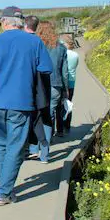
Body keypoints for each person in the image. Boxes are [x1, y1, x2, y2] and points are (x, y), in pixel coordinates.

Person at [0, 6, 53, 205]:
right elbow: (46, 68)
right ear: (21, 22)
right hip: (22, 102)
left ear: (4, 21)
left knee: (1, 143)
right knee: (15, 147)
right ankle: (4, 193)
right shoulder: (34, 41)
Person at [29, 22, 69, 162]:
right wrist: (65, 90)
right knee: (48, 116)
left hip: (38, 85)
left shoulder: (35, 46)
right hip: (56, 85)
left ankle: (34, 149)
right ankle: (45, 151)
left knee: (35, 116)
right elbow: (65, 72)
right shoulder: (61, 48)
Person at [62, 35, 79, 134]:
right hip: (71, 81)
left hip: (63, 81)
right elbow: (75, 66)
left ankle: (59, 126)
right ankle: (67, 126)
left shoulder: (62, 53)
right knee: (68, 103)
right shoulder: (75, 55)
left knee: (60, 105)